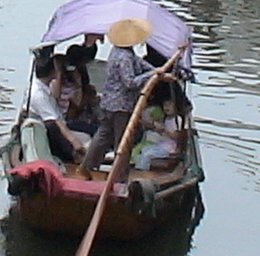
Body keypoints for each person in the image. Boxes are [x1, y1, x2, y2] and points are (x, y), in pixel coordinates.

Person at [78, 17, 169, 174]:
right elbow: (130, 82)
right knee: (123, 141)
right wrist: (151, 74)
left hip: (109, 103)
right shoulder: (124, 56)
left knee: (103, 135)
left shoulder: (122, 51)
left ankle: (86, 167)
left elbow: (140, 63)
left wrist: (158, 71)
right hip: (120, 106)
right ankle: (120, 175)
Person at [26, 48, 87, 164]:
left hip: (63, 122)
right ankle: (72, 158)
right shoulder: (39, 94)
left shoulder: (45, 87)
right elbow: (56, 122)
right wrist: (75, 143)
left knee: (88, 129)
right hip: (52, 133)